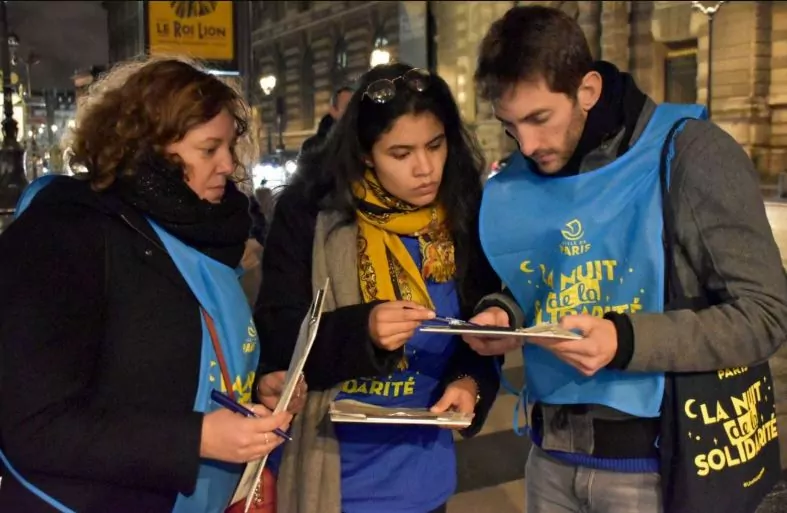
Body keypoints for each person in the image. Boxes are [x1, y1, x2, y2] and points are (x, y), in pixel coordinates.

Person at [465, 6, 787, 513]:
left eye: (539, 118)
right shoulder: (520, 176)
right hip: (548, 459)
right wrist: (503, 313)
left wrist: (625, 340)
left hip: (659, 469)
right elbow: (536, 277)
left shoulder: (691, 154)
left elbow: (765, 314)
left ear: (587, 90)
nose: (527, 145)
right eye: (510, 126)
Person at [0, 57, 297, 512]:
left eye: (231, 147)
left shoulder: (201, 231)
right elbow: (34, 425)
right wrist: (196, 438)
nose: (228, 165)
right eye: (208, 149)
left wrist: (251, 389)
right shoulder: (63, 234)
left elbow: (170, 366)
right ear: (145, 148)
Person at [255, 63, 502, 513]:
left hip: (424, 480)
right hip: (333, 478)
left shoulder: (462, 213)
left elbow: (478, 327)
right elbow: (276, 336)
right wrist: (361, 330)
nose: (425, 168)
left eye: (435, 145)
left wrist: (469, 382)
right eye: (401, 153)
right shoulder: (311, 214)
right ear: (367, 154)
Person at [299, 85, 354, 156]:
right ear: (333, 111)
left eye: (355, 106)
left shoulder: (366, 143)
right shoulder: (313, 147)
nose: (353, 111)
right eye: (347, 106)